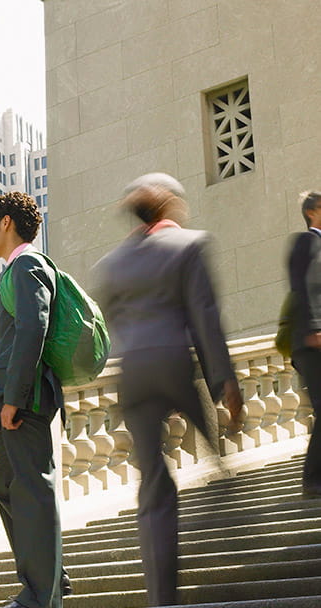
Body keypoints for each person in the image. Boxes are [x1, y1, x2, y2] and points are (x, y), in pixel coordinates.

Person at [91, 173, 243, 607]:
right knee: (216, 450)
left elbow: (113, 320)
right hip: (175, 363)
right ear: (170, 206)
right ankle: (225, 499)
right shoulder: (190, 245)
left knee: (153, 485)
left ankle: (162, 596)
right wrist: (226, 382)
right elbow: (205, 319)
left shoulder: (114, 263)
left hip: (135, 375)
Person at [0, 192, 65, 608]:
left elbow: (33, 332)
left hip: (25, 404)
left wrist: (14, 400)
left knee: (32, 488)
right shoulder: (14, 270)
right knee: (6, 484)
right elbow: (9, 344)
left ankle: (40, 593)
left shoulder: (29, 265)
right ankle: (50, 577)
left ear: (7, 223)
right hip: (10, 409)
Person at [287, 191, 321, 497]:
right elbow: (302, 287)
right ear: (312, 212)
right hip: (312, 344)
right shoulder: (305, 243)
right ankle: (311, 479)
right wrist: (314, 328)